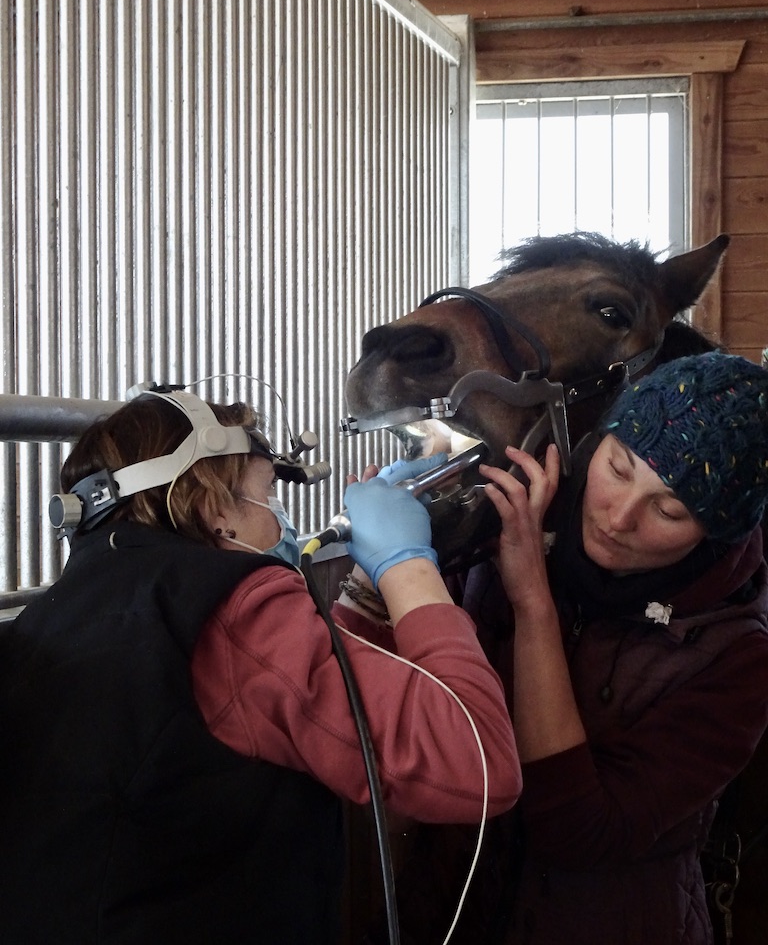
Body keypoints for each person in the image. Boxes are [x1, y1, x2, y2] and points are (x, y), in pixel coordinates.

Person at [0, 385, 522, 945]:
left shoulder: (57, 616)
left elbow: (285, 702)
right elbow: (477, 762)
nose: (280, 516)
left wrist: (365, 591)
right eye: (269, 491)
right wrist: (406, 564)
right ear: (213, 508)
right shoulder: (228, 608)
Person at [475, 350, 768, 945]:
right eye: (619, 466)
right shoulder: (527, 525)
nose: (619, 517)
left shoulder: (740, 657)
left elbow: (579, 832)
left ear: (717, 533)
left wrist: (533, 604)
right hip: (456, 908)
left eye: (670, 509)